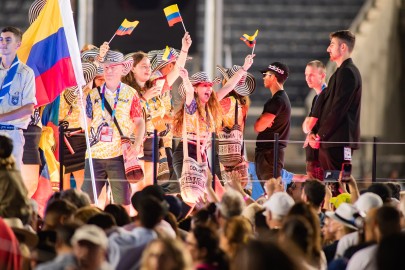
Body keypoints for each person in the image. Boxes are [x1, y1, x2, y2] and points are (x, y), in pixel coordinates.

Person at [172, 55, 254, 193]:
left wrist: (244, 68)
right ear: (196, 89)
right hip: (188, 153)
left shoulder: (210, 107)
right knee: (195, 196)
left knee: (214, 192)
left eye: (210, 85)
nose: (209, 88)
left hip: (201, 154)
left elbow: (228, 86)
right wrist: (186, 79)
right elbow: (190, 92)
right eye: (205, 85)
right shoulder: (191, 107)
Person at [122, 32, 191, 191]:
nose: (148, 69)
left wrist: (184, 49)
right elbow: (123, 113)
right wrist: (143, 98)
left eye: (149, 66)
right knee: (135, 185)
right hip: (133, 140)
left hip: (152, 139)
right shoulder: (125, 90)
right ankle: (133, 215)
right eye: (143, 66)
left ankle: (145, 215)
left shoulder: (154, 84)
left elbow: (176, 72)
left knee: (149, 185)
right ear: (133, 69)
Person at [81, 50, 145, 212]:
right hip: (94, 154)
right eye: (106, 67)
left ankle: (121, 231)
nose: (109, 70)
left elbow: (140, 122)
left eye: (113, 67)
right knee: (89, 201)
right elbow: (84, 124)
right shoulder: (93, 94)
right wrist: (81, 102)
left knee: (123, 202)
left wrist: (137, 145)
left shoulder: (131, 93)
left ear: (122, 69)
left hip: (119, 155)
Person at [309, 30, 362, 171]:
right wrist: (315, 133)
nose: (328, 49)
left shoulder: (348, 72)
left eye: (332, 45)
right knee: (333, 186)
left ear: (343, 47)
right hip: (331, 141)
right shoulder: (339, 73)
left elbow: (338, 109)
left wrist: (319, 135)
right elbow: (328, 107)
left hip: (338, 142)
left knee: (340, 185)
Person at [0, 26, 36, 170]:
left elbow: (28, 108)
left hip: (12, 132)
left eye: (8, 40)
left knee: (11, 179)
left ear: (18, 44)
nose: (3, 43)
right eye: (1, 39)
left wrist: (1, 118)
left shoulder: (26, 73)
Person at [254, 62, 291, 182]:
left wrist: (260, 120)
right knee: (270, 191)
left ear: (273, 77)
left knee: (272, 191)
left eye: (266, 74)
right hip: (269, 154)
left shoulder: (278, 100)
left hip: (270, 155)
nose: (263, 77)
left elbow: (258, 127)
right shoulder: (279, 99)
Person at [302, 60, 327, 180]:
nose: (307, 78)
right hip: (314, 155)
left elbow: (308, 124)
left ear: (322, 76)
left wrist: (309, 128)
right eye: (306, 75)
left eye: (311, 75)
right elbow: (306, 126)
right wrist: (310, 131)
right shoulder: (316, 96)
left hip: (319, 156)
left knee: (317, 192)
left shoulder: (324, 95)